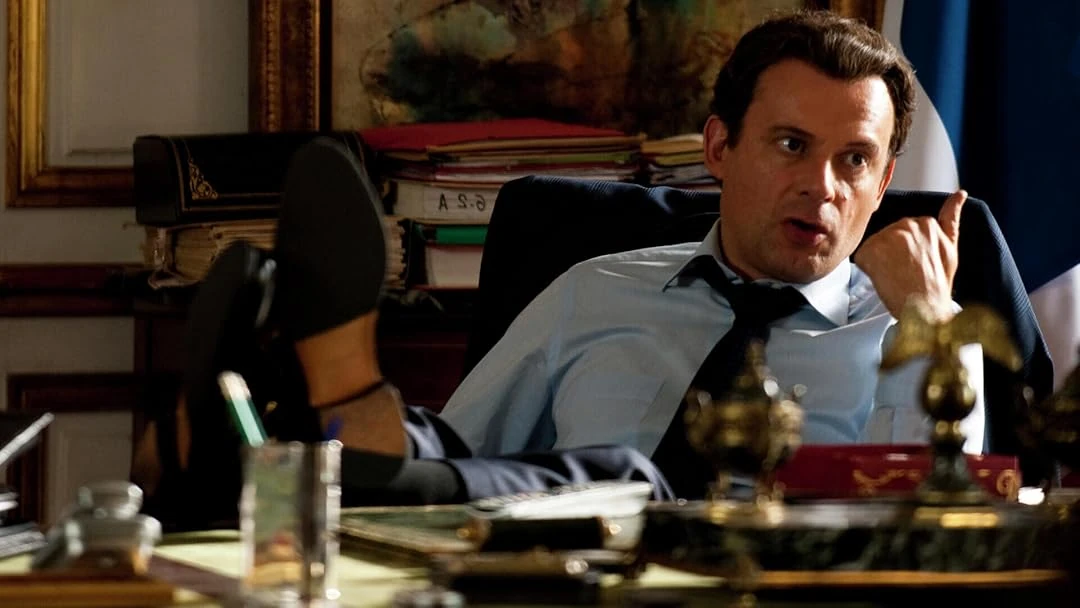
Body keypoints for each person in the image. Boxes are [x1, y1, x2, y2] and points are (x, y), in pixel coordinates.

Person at [135, 10, 978, 515]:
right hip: (567, 584)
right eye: (792, 145)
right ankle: (312, 415)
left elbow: (936, 520)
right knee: (490, 465)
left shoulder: (915, 330)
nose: (822, 187)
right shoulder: (597, 287)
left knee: (633, 481)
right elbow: (464, 453)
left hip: (780, 586)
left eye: (854, 161)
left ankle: (265, 436)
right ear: (719, 147)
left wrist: (930, 325)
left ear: (884, 183)